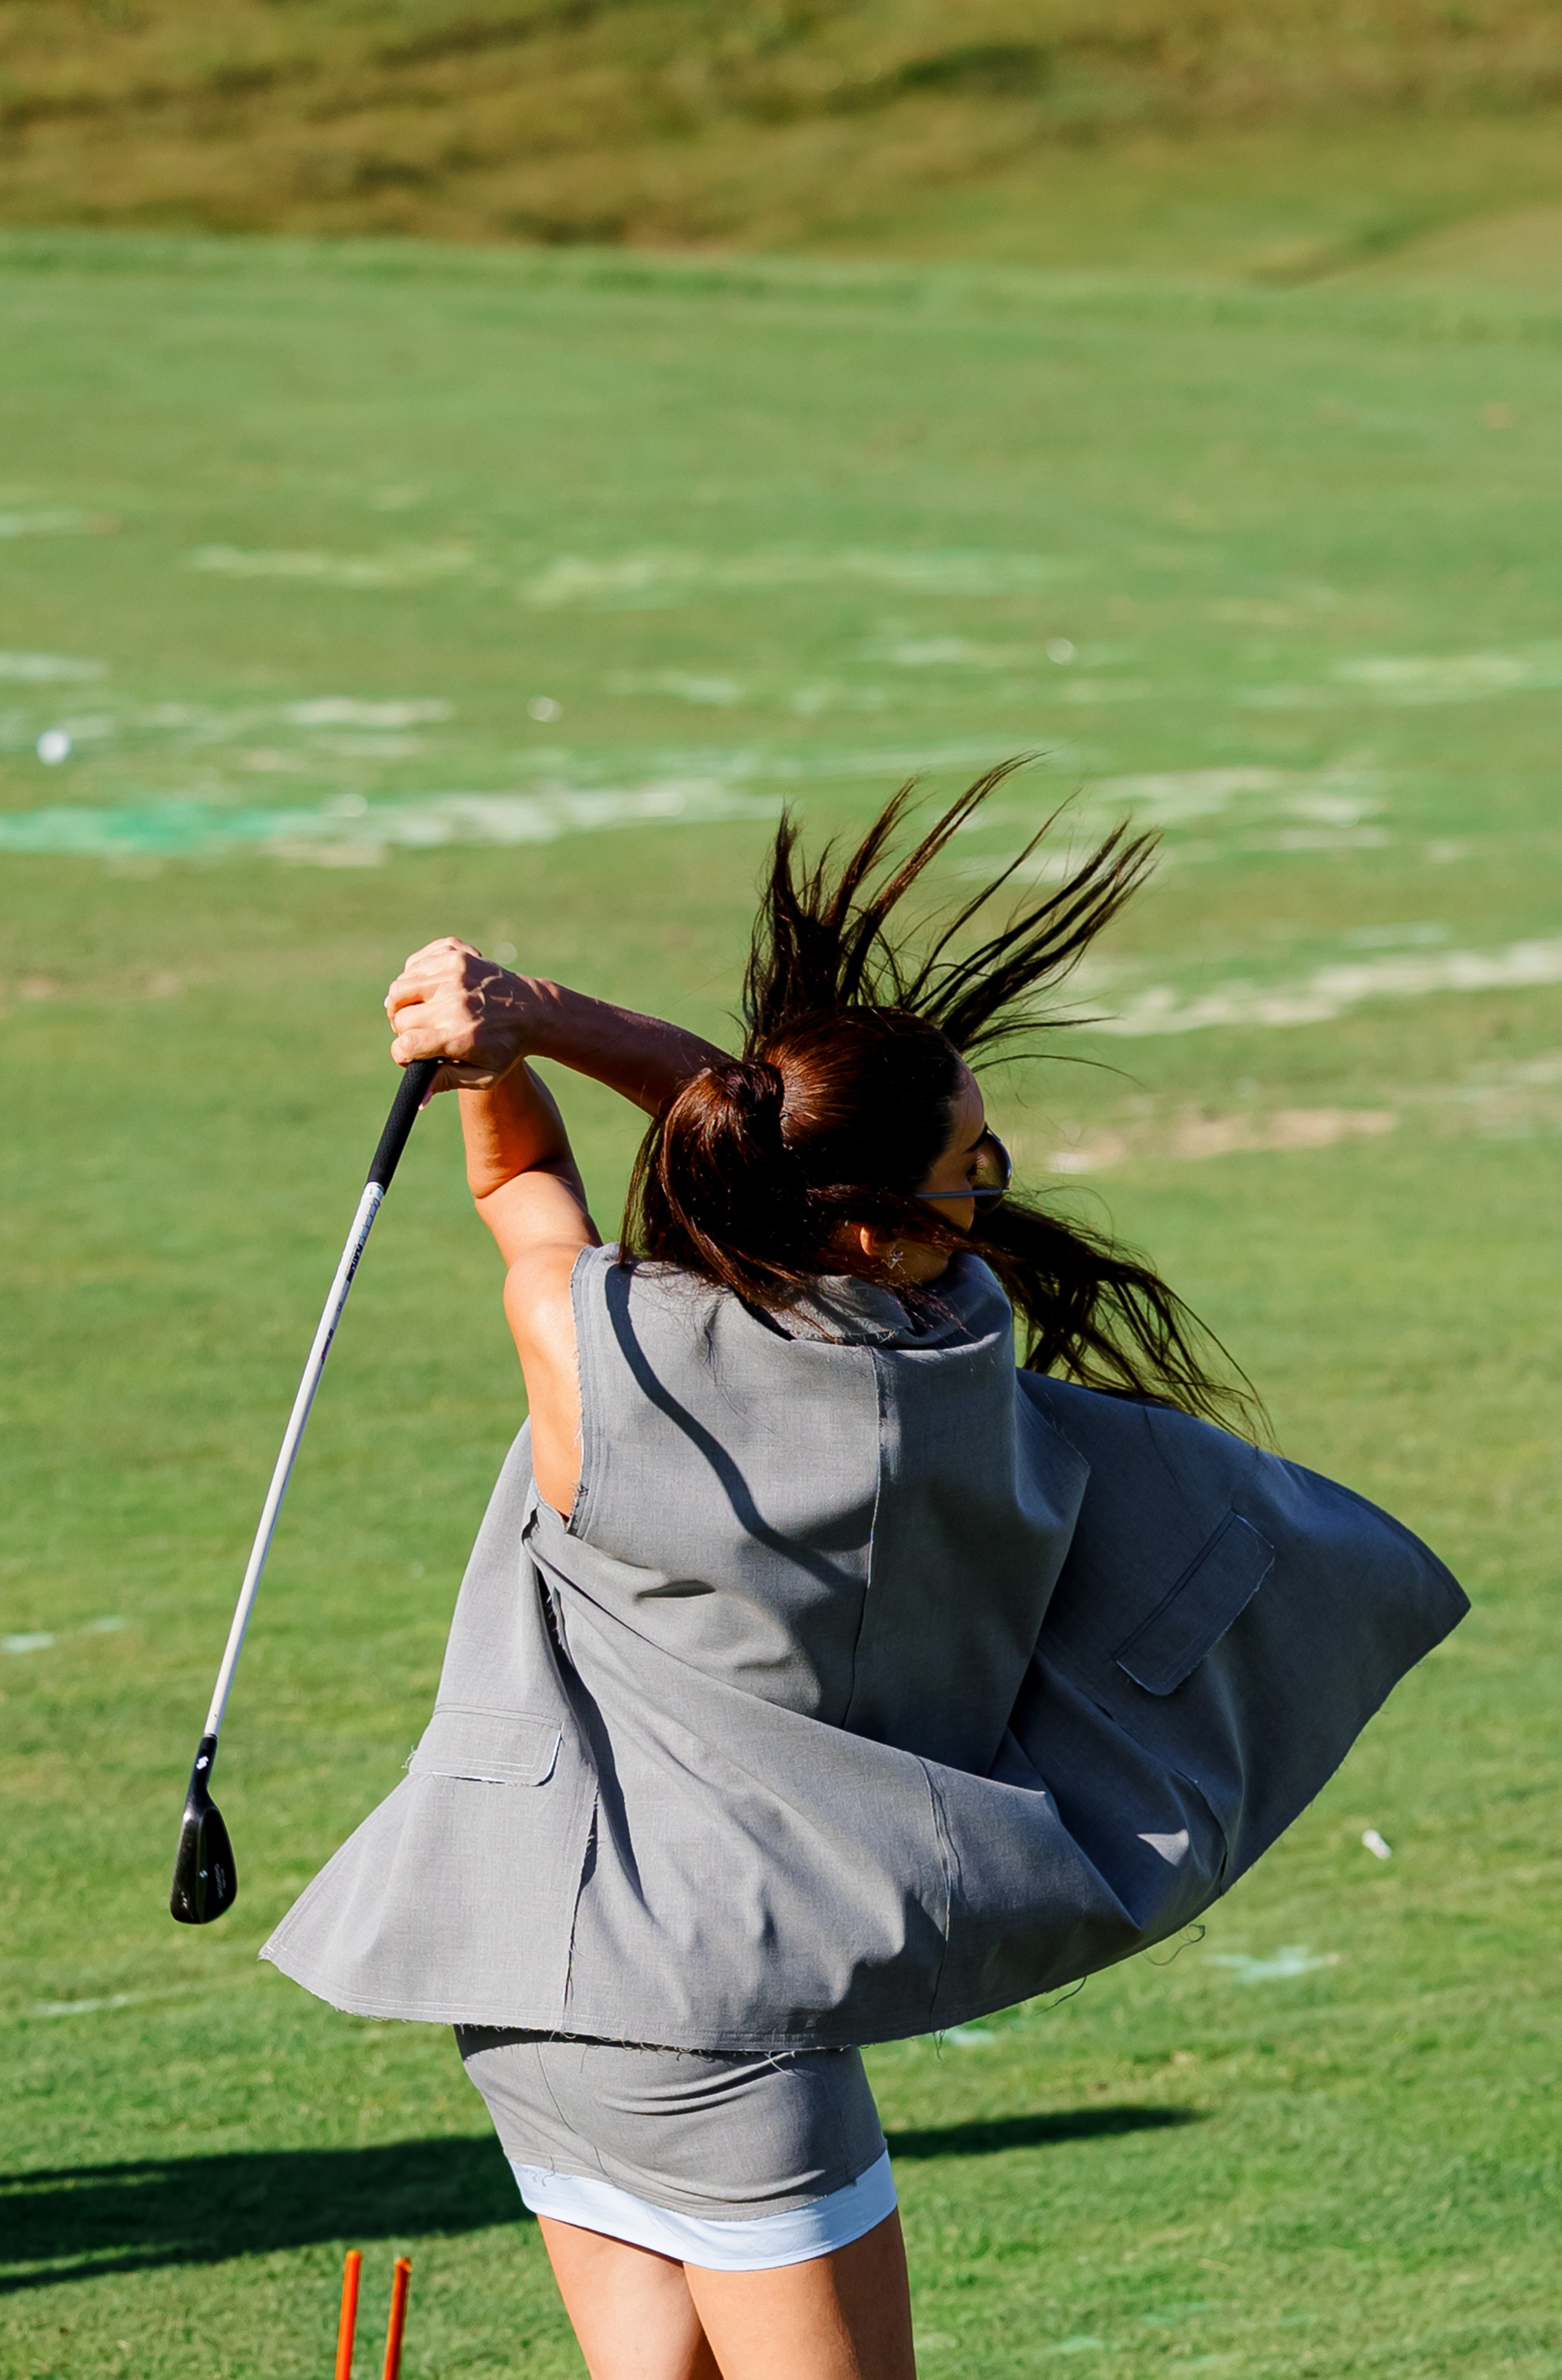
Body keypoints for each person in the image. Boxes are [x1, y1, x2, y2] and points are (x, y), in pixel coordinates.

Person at [263, 771, 1464, 2380]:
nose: (987, 1190)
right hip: (723, 2022)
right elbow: (740, 1130)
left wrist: (507, 1046)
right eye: (972, 1164)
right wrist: (544, 1023)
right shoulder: (940, 1359)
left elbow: (525, 1186)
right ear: (865, 1233)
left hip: (519, 1981)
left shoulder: (587, 1343)